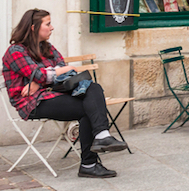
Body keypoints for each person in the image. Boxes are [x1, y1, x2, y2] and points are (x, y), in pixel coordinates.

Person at [2, 9, 127, 178]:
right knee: (87, 109)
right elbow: (51, 73)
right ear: (33, 27)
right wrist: (54, 73)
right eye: (48, 24)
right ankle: (90, 160)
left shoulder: (47, 47)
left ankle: (101, 138)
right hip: (32, 103)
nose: (52, 27)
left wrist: (41, 80)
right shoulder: (15, 51)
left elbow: (61, 75)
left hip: (55, 93)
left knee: (94, 88)